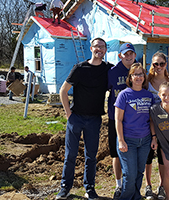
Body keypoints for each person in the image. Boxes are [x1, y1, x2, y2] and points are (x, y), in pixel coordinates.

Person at [56, 38, 113, 200]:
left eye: (103, 47)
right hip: (77, 118)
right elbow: (63, 91)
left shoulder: (108, 69)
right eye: (97, 46)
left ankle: (90, 188)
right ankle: (65, 188)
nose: (99, 49)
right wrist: (69, 114)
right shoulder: (80, 68)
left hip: (95, 119)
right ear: (91, 48)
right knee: (70, 155)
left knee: (91, 157)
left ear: (105, 50)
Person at [115, 62, 156, 200]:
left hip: (144, 140)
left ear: (144, 77)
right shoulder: (124, 95)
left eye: (141, 74)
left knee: (139, 172)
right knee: (130, 174)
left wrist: (154, 138)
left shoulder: (149, 96)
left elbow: (151, 120)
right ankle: (126, 197)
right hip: (128, 140)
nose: (138, 77)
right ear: (130, 77)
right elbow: (118, 120)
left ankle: (136, 196)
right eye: (135, 74)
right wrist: (120, 140)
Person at [145, 52, 169, 200]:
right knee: (148, 158)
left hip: (166, 126)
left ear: (166, 64)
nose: (158, 67)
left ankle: (162, 186)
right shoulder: (147, 81)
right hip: (147, 124)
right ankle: (148, 186)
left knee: (163, 158)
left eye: (161, 64)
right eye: (155, 64)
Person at [107, 43, 137, 199]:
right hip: (115, 119)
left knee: (134, 153)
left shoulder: (138, 72)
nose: (129, 56)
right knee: (116, 153)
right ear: (120, 56)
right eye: (126, 54)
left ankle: (133, 186)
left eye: (131, 53)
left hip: (134, 121)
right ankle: (119, 185)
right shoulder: (112, 72)